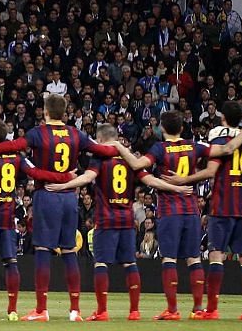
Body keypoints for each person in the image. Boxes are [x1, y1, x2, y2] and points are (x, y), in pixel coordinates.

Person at [54, 124, 185, 321]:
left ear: (100, 140)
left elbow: (88, 177)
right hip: (126, 219)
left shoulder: (100, 158)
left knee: (101, 263)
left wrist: (64, 184)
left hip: (106, 219)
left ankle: (102, 311)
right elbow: (150, 181)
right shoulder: (130, 159)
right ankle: (134, 311)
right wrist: (176, 188)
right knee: (130, 263)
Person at [17, 93, 121, 322]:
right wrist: (118, 148)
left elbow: (19, 151)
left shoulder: (38, 133)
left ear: (45, 112)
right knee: (69, 251)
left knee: (43, 251)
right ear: (64, 113)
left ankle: (41, 309)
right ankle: (75, 310)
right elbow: (105, 151)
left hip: (47, 195)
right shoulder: (76, 134)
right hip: (69, 198)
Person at [0, 119, 74, 321]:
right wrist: (64, 177)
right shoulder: (16, 156)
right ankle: (12, 311)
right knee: (10, 262)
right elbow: (35, 172)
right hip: (7, 216)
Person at [117, 111, 210, 320]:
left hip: (170, 210)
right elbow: (218, 156)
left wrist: (119, 146)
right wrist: (189, 179)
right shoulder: (195, 146)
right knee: (194, 258)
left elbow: (138, 165)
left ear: (162, 129)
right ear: (181, 128)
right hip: (192, 209)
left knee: (169, 258)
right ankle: (198, 309)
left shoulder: (160, 148)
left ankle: (173, 309)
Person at [200, 103, 242, 319]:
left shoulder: (219, 140)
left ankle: (212, 309)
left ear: (223, 117)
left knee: (216, 254)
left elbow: (212, 170)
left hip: (222, 205)